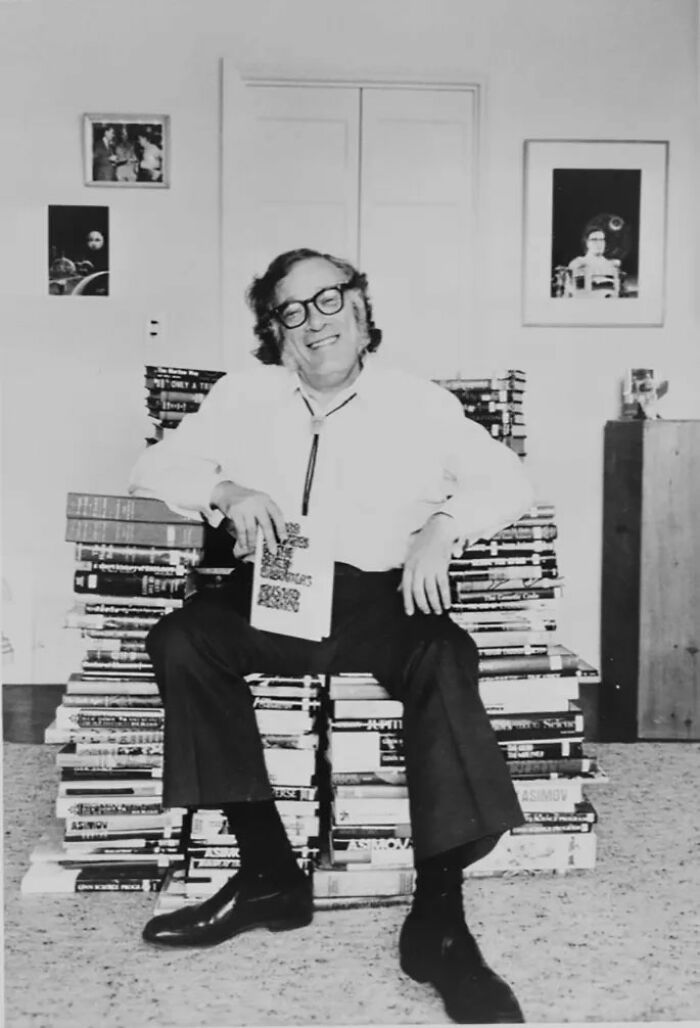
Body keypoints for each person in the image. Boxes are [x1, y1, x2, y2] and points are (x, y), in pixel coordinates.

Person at [129, 248, 533, 1024]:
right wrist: (224, 489)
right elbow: (154, 466)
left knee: (446, 654)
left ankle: (440, 921)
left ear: (360, 309)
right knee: (182, 639)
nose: (314, 322)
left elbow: (508, 480)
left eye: (328, 300)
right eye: (291, 310)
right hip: (277, 588)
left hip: (382, 596)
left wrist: (445, 526)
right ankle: (269, 874)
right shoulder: (243, 395)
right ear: (275, 331)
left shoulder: (416, 402)